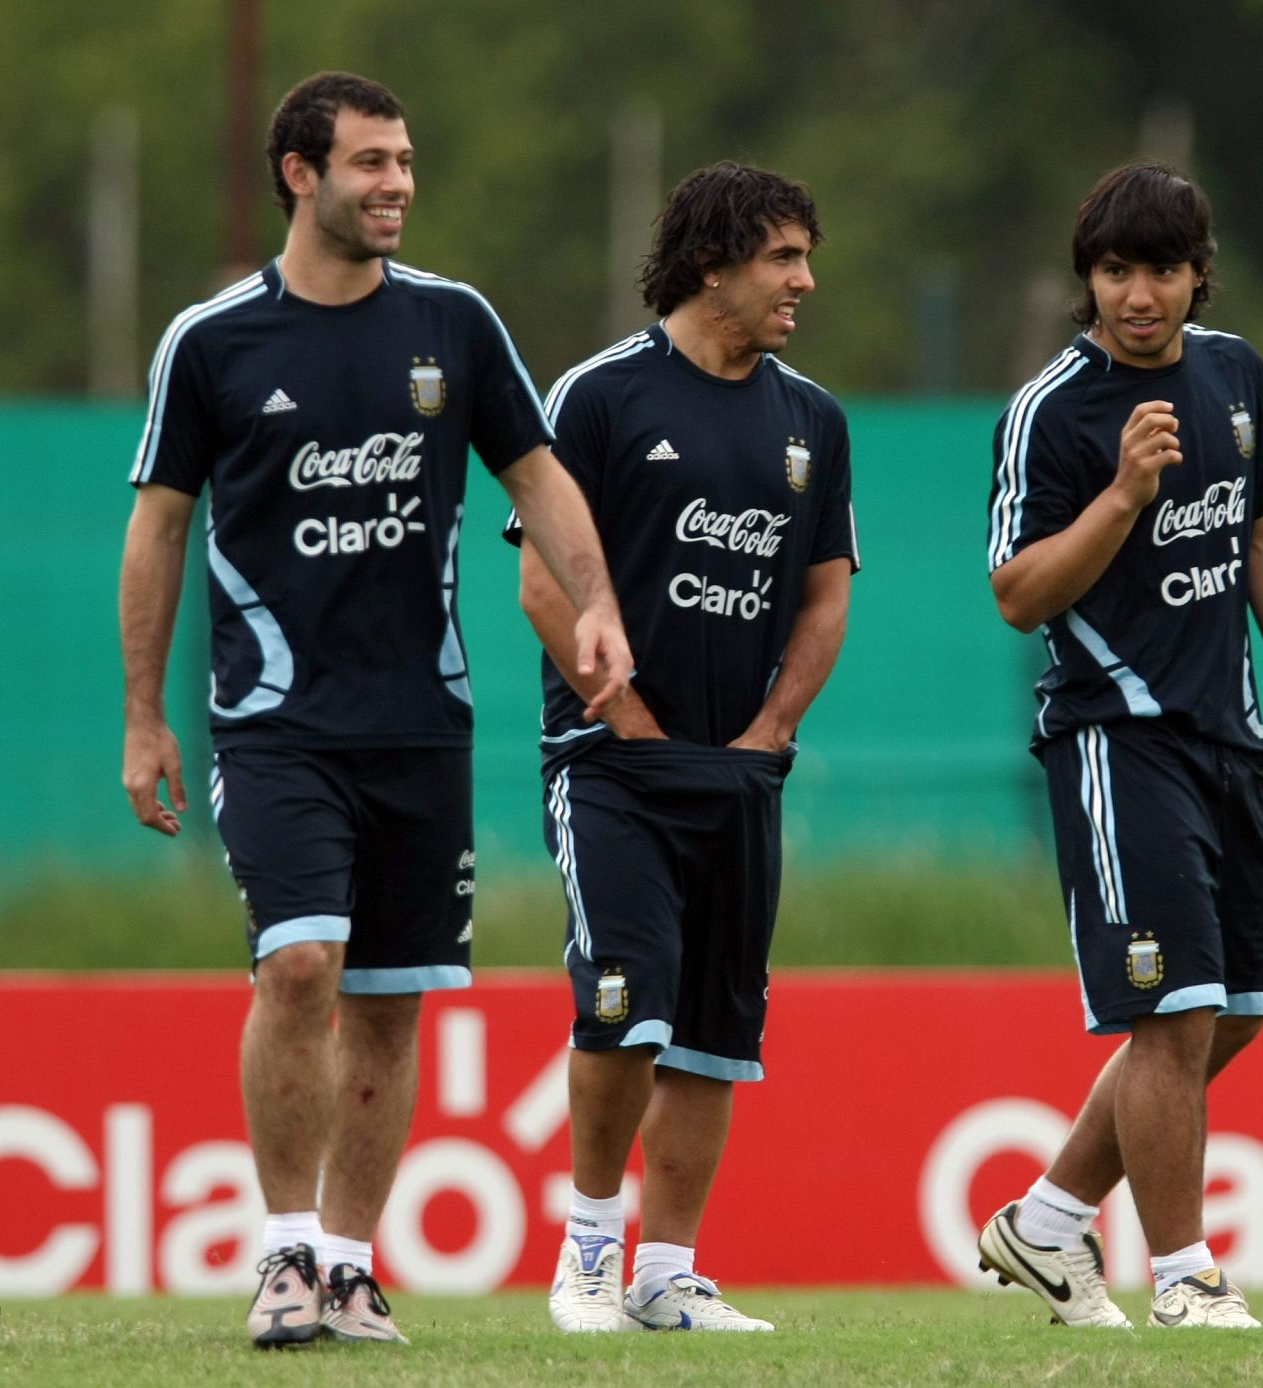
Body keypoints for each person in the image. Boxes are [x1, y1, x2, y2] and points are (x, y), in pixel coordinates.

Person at [118, 71, 632, 1349]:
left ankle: (350, 1268)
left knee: (392, 999)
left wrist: (597, 602)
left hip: (424, 723)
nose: (396, 183)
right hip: (278, 722)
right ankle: (284, 1251)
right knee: (299, 965)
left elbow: (540, 473)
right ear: (301, 174)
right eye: (368, 163)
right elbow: (158, 526)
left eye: (405, 161)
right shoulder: (214, 339)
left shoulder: (454, 324)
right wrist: (143, 713)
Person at [977, 161, 1263, 1331]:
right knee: (1172, 1012)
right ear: (1087, 279)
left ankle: (1043, 1223)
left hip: (1227, 738)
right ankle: (1183, 1269)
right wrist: (1125, 493)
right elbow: (1016, 593)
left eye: (1160, 271)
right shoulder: (1055, 410)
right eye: (1113, 271)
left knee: (1234, 1008)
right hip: (1113, 735)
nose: (1137, 295)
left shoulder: (1233, 372)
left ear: (1199, 274)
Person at [505, 162, 858, 1334]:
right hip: (611, 763)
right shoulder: (600, 395)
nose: (805, 280)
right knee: (623, 1004)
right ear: (715, 263)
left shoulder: (813, 418)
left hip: (741, 769)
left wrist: (770, 729)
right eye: (783, 258)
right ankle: (589, 1255)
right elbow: (540, 584)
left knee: (714, 1031)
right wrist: (628, 719)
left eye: (805, 257)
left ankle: (669, 1271)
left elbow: (822, 598)